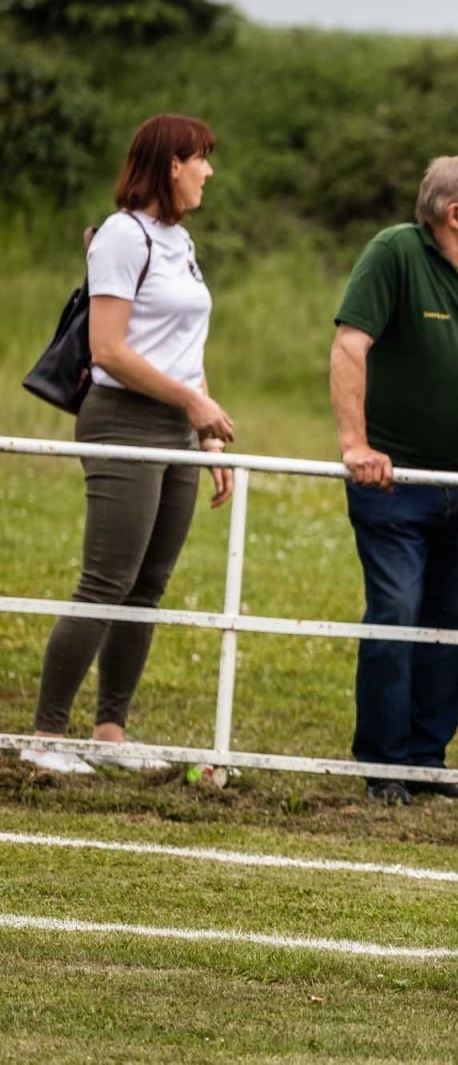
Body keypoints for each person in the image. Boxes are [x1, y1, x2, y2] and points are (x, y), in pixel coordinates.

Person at [25, 114, 233, 777]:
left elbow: (183, 346)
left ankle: (110, 732)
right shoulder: (123, 235)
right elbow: (107, 347)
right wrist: (194, 402)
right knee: (105, 580)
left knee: (148, 584)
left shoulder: (181, 241)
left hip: (173, 423)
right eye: (201, 159)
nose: (207, 172)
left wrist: (204, 428)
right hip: (122, 419)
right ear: (172, 164)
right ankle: (44, 735)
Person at [329, 153, 458, 805]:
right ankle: (381, 764)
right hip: (394, 481)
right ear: (454, 213)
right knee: (398, 610)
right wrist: (356, 445)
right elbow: (351, 345)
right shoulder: (394, 252)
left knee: (455, 619)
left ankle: (425, 761)